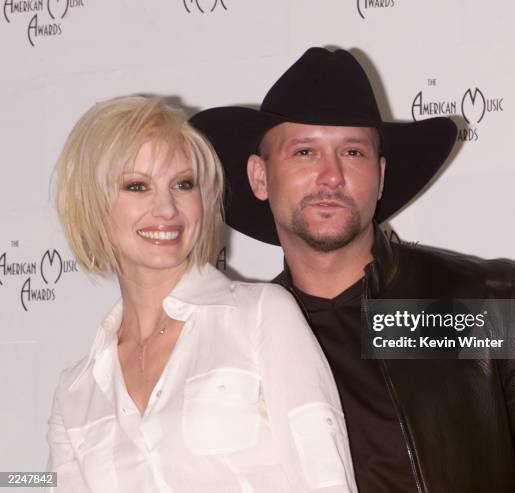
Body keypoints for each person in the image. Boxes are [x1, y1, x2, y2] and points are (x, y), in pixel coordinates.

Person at [190, 47, 515, 492]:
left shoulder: (481, 300)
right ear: (259, 177)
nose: (331, 176)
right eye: (305, 152)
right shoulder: (245, 340)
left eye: (352, 152)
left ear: (380, 175)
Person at [46, 95, 358, 493]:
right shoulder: (77, 391)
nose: (167, 208)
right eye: (137, 186)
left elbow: (326, 481)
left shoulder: (261, 316)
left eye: (183, 184)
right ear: (92, 205)